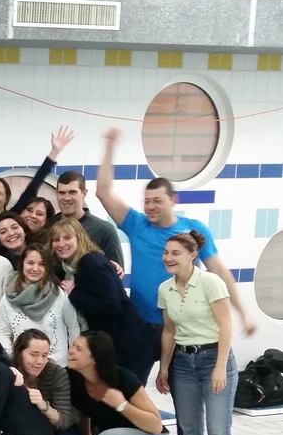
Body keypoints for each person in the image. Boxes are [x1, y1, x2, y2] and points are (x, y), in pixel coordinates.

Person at [95, 128, 255, 336]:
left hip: (182, 326)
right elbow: (104, 193)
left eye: (157, 201)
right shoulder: (136, 224)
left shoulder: (193, 230)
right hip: (141, 323)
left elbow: (220, 272)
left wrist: (243, 314)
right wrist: (109, 147)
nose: (150, 206)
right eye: (147, 201)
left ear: (173, 200)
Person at [156, 232, 237, 435]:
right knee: (188, 426)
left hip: (214, 357)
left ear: (192, 255)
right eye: (166, 252)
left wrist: (220, 367)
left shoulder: (210, 282)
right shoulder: (165, 288)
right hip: (183, 361)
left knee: (218, 428)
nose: (168, 258)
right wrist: (163, 368)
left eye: (175, 253)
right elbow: (169, 331)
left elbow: (226, 325)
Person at [50, 218, 155, 381]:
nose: (61, 244)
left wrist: (75, 293)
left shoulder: (90, 262)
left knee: (128, 395)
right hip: (119, 345)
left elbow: (112, 304)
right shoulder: (74, 267)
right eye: (56, 239)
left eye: (67, 238)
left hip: (130, 346)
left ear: (80, 237)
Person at [0, 244, 81, 366]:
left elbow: (73, 327)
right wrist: (14, 357)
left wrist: (72, 357)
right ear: (22, 264)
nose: (35, 268)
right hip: (23, 367)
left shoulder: (58, 294)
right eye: (30, 263)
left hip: (58, 366)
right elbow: (2, 333)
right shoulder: (8, 299)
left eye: (41, 264)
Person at [54, 171, 124, 267]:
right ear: (56, 194)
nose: (66, 198)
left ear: (84, 193)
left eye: (72, 192)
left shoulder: (104, 230)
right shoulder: (48, 226)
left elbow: (116, 273)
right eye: (62, 193)